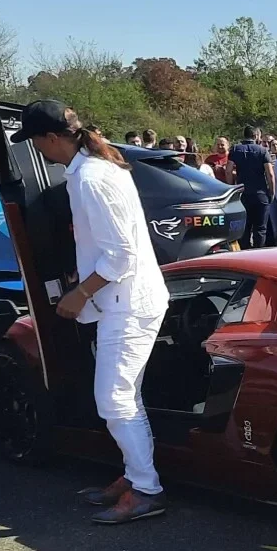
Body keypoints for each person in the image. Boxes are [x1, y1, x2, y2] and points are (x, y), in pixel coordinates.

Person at [13, 100, 169, 524]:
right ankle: (136, 477)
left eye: (35, 141)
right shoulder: (96, 169)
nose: (37, 150)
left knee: (115, 400)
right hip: (126, 301)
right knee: (124, 398)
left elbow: (121, 255)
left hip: (128, 303)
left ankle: (146, 490)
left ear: (51, 138)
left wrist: (80, 293)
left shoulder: (92, 178)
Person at [225, 127, 274, 247]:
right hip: (260, 193)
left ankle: (244, 252)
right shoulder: (262, 150)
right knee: (260, 228)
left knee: (244, 228)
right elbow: (270, 173)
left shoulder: (235, 149)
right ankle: (258, 252)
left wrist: (232, 188)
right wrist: (272, 192)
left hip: (242, 193)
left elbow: (228, 171)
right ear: (256, 136)